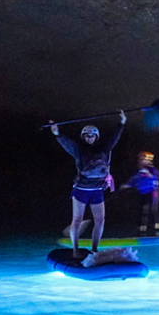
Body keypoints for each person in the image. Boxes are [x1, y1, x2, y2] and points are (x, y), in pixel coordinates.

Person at [50, 110, 126, 258]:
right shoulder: (79, 150)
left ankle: (94, 249)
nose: (89, 137)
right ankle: (75, 250)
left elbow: (114, 138)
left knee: (100, 220)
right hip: (81, 190)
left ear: (96, 137)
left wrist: (121, 123)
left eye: (92, 135)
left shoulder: (104, 149)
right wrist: (57, 133)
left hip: (97, 190)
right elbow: (67, 143)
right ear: (83, 137)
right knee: (77, 220)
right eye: (87, 135)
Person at [121, 151, 159, 236]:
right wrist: (126, 185)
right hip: (142, 193)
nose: (140, 161)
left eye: (143, 159)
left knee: (152, 210)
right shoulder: (138, 172)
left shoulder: (153, 170)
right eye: (140, 159)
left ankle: (157, 229)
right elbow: (133, 181)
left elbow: (154, 178)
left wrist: (146, 172)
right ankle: (142, 229)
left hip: (151, 192)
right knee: (141, 210)